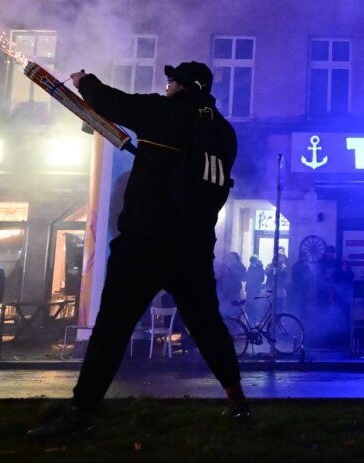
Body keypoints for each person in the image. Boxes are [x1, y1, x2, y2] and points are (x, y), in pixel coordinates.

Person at [29, 60, 249, 439]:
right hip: (193, 247)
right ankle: (237, 399)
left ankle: (80, 413)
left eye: (172, 79)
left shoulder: (162, 112)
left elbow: (114, 103)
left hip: (144, 243)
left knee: (112, 330)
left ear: (182, 86)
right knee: (207, 326)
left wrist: (86, 81)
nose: (167, 83)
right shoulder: (223, 131)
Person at [244, 255, 267, 326]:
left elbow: (260, 278)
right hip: (251, 289)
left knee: (252, 306)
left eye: (252, 261)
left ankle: (253, 322)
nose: (251, 262)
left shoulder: (258, 268)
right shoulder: (251, 267)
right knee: (250, 306)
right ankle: (252, 322)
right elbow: (247, 277)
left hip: (254, 289)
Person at [290, 251, 312, 317]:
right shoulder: (298, 266)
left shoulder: (305, 266)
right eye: (304, 257)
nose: (306, 259)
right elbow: (296, 277)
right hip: (298, 289)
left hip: (303, 289)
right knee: (298, 305)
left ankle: (302, 319)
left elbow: (308, 277)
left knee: (303, 305)